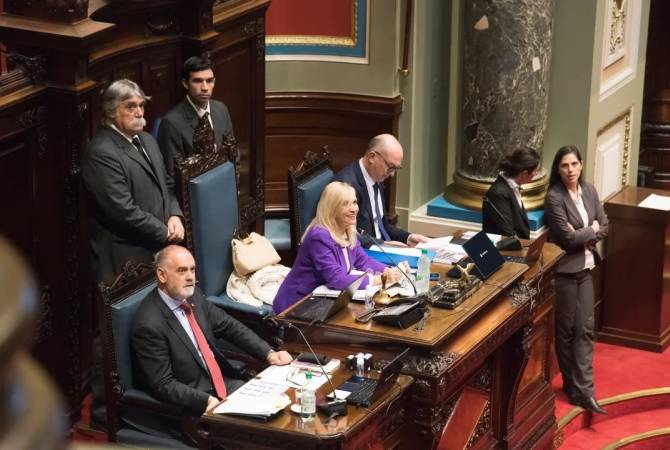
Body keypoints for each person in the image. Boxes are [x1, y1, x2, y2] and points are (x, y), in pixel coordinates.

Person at [131, 245, 293, 417]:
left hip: (223, 384)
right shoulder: (148, 325)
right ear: (161, 275)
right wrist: (205, 401)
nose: (190, 277)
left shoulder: (193, 296)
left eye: (192, 270)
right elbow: (163, 384)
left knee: (287, 401)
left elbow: (230, 326)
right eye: (181, 271)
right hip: (195, 404)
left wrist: (268, 353)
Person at [82, 79, 184, 285]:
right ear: (111, 111)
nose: (139, 112)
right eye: (130, 106)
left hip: (158, 247)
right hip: (127, 260)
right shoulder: (101, 152)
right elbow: (122, 210)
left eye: (141, 105)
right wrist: (165, 232)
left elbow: (167, 184)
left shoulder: (147, 139)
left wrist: (174, 214)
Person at [544, 145, 608, 414]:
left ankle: (586, 391)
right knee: (567, 331)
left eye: (574, 164)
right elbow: (568, 240)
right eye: (564, 166)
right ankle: (573, 386)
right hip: (566, 274)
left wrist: (588, 230)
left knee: (585, 330)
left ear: (581, 165)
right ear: (558, 170)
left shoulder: (590, 190)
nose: (570, 170)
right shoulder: (554, 197)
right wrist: (590, 229)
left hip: (587, 270)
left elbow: (605, 225)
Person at [273, 181, 401, 313]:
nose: (353, 209)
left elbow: (363, 260)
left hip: (325, 301)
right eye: (345, 204)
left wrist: (387, 271)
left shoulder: (347, 229)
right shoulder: (319, 236)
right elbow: (337, 280)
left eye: (354, 202)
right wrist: (379, 279)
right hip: (297, 305)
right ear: (332, 209)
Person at [333, 134, 429, 248]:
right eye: (391, 167)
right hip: (364, 253)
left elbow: (383, 226)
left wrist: (408, 237)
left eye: (396, 169)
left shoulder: (377, 176)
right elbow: (344, 235)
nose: (392, 174)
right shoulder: (346, 186)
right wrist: (385, 245)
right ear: (372, 157)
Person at [157, 55, 234, 176]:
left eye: (209, 81)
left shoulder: (221, 109)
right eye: (198, 81)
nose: (205, 88)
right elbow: (173, 175)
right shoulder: (171, 123)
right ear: (185, 83)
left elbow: (233, 153)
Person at [482, 147, 540, 239]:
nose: (537, 173)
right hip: (506, 250)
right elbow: (507, 233)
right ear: (524, 173)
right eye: (536, 170)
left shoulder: (514, 187)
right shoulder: (498, 193)